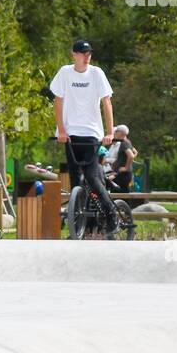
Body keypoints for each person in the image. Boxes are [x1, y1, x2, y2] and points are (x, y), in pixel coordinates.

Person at [51, 39, 120, 236]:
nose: (87, 56)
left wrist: (109, 132)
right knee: (75, 182)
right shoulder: (65, 73)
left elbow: (107, 102)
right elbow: (58, 101)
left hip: (91, 134)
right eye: (83, 53)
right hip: (71, 135)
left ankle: (111, 212)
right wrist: (61, 131)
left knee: (91, 175)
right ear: (74, 54)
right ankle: (83, 225)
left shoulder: (97, 74)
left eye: (89, 53)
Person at [106, 125, 137, 193]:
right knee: (117, 191)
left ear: (120, 133)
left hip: (124, 174)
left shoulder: (124, 143)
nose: (115, 133)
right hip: (120, 173)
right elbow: (135, 153)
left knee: (117, 191)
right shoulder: (125, 142)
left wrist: (126, 167)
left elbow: (131, 156)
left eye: (116, 131)